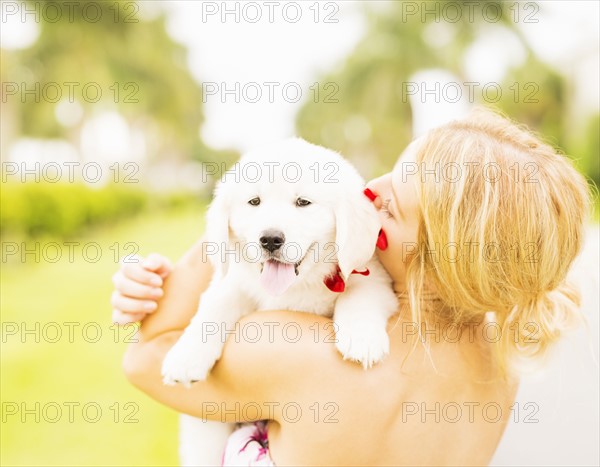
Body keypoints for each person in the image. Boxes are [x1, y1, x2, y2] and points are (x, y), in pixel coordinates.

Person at [112, 109, 590, 466]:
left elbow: (150, 356)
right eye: (390, 172)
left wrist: (250, 205)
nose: (369, 192)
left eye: (392, 206)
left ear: (441, 257)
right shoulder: (496, 360)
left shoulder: (297, 351)